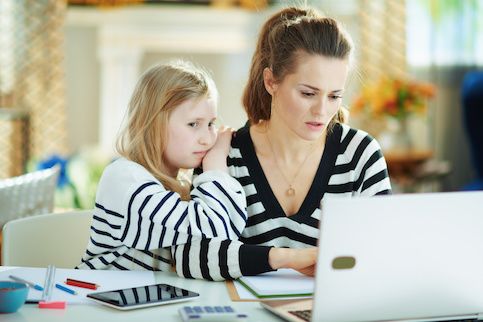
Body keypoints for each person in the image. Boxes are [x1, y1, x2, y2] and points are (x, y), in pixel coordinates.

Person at [173, 7, 392, 280]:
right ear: (270, 81)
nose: (322, 111)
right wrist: (285, 258)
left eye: (334, 96)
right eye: (308, 93)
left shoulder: (360, 156)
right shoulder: (224, 156)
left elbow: (382, 256)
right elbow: (190, 256)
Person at [78, 61, 248, 271]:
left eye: (211, 124)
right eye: (193, 124)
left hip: (150, 300)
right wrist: (216, 164)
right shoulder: (125, 179)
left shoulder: (180, 184)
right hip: (98, 299)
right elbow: (215, 232)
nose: (207, 139)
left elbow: (222, 240)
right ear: (154, 124)